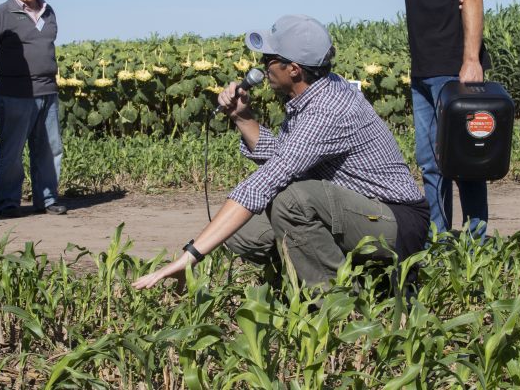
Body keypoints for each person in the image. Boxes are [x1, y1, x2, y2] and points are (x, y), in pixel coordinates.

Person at [133, 15, 431, 290]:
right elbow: (286, 156)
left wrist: (192, 255)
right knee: (241, 231)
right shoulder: (312, 93)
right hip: (355, 210)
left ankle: (336, 305)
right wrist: (242, 117)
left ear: (294, 69)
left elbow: (271, 177)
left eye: (269, 59)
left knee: (291, 201)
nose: (261, 67)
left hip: (395, 220)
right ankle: (301, 279)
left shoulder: (327, 110)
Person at [388, 0, 491, 239]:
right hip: (424, 69)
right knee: (430, 162)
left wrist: (470, 60)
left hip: (453, 67)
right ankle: (439, 241)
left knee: (465, 161)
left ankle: (476, 246)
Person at [0, 0, 66, 217]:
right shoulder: (2, 13)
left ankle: (47, 199)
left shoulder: (49, 11)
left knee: (49, 149)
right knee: (12, 151)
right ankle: (8, 202)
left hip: (47, 90)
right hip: (15, 93)